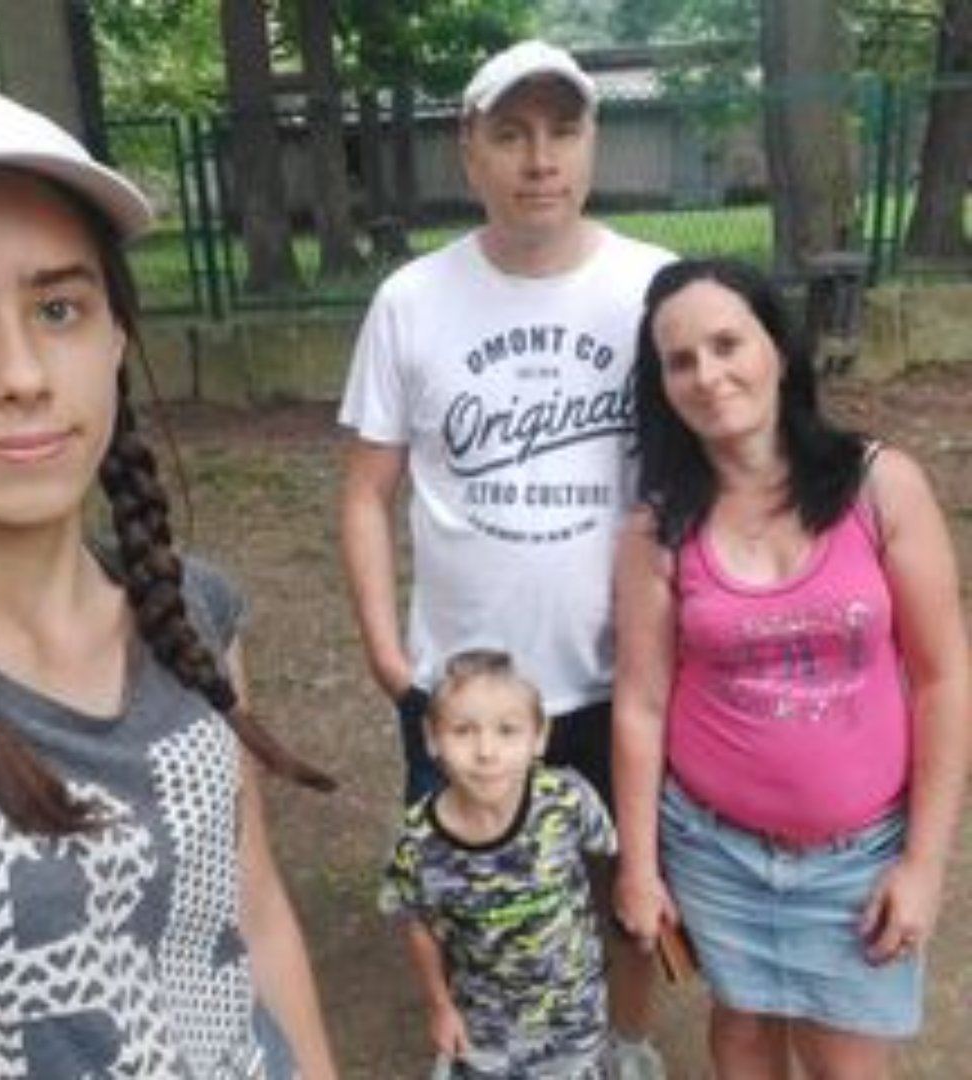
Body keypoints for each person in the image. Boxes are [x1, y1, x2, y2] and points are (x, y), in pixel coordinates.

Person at [0, 79, 338, 1079]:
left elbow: (251, 904)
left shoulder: (196, 611)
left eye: (59, 307)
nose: (22, 375)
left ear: (115, 339)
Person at [339, 39, 672, 1077]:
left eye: (564, 131)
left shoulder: (654, 286)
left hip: (618, 678)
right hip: (464, 689)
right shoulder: (411, 300)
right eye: (513, 134)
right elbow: (366, 492)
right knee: (468, 887)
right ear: (468, 149)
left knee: (626, 882)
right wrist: (388, 654)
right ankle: (480, 1047)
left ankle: (623, 1047)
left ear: (592, 141)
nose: (541, 160)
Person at [612, 257, 970, 1078]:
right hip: (714, 850)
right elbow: (640, 704)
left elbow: (944, 679)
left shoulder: (880, 487)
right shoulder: (657, 529)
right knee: (742, 1033)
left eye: (727, 344)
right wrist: (638, 867)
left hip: (859, 856)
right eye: (680, 361)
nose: (708, 376)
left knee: (846, 1061)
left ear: (776, 346)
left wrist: (923, 865)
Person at [380, 649, 617, 1078]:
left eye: (508, 730)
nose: (486, 752)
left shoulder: (568, 801)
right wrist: (440, 1007)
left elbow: (602, 866)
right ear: (431, 737)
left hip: (575, 1020)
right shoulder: (418, 842)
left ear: (539, 737)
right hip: (485, 1030)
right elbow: (419, 925)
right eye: (463, 731)